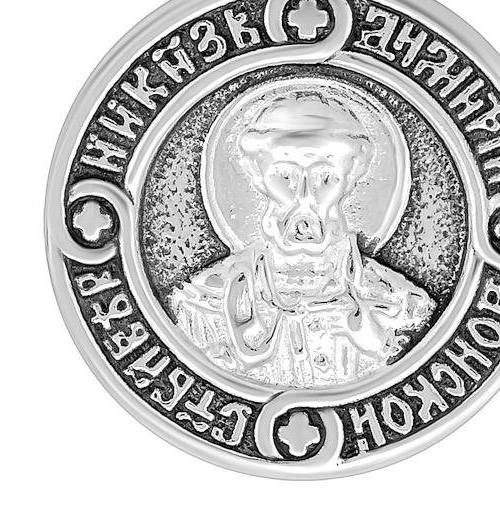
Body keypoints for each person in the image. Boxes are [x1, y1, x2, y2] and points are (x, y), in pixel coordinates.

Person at [171, 89, 433, 387]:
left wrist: (369, 334)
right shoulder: (203, 304)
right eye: (284, 176)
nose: (305, 197)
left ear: (350, 180)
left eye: (326, 178)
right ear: (257, 176)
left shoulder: (401, 305)